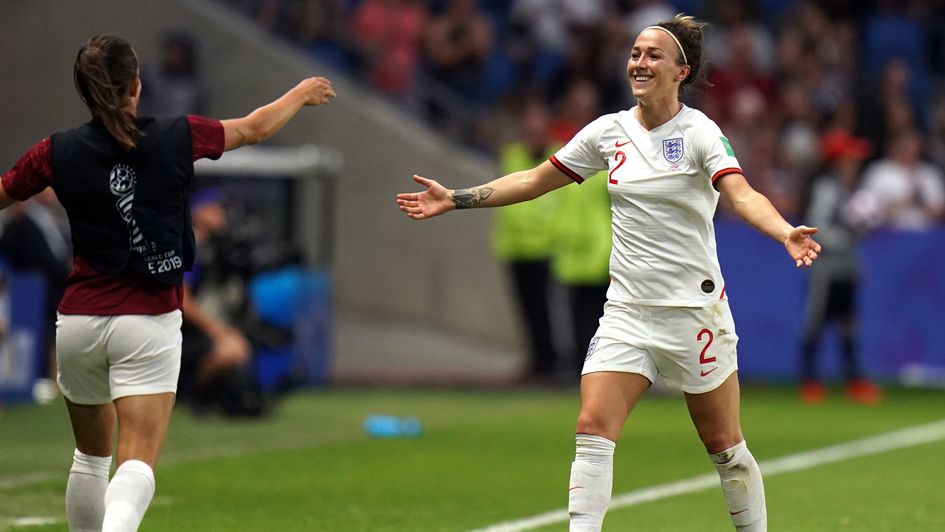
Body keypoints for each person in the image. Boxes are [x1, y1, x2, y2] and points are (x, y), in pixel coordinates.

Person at [397, 15, 820, 531]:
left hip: (693, 312)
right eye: (635, 53)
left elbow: (741, 193)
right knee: (592, 427)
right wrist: (458, 198)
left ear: (680, 71)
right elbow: (534, 180)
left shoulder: (699, 133)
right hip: (626, 311)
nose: (639, 63)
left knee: (725, 447)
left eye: (653, 55)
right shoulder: (607, 132)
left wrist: (783, 232)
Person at [0, 35, 334, 531]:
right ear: (137, 85)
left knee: (90, 458)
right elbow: (255, 128)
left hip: (78, 322)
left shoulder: (55, 152)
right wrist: (301, 93)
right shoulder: (178, 135)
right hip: (148, 318)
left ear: (85, 92)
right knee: (136, 459)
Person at [798, 130, 882, 406]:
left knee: (849, 325)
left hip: (845, 267)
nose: (854, 164)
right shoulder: (827, 187)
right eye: (850, 159)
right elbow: (816, 227)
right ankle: (810, 381)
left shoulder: (849, 190)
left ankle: (854, 380)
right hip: (826, 269)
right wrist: (847, 237)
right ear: (838, 161)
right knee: (816, 323)